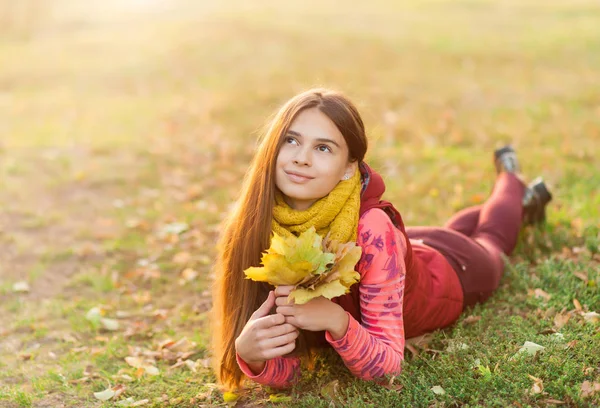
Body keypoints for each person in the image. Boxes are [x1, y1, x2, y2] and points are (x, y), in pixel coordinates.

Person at [210, 88, 552, 390]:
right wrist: (252, 356)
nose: (301, 157)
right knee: (459, 230)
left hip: (452, 274)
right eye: (292, 140)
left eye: (324, 148)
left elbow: (389, 367)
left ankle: (511, 180)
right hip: (402, 256)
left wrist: (335, 320)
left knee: (491, 238)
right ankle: (523, 203)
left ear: (349, 167)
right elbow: (296, 371)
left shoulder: (372, 229)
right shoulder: (258, 223)